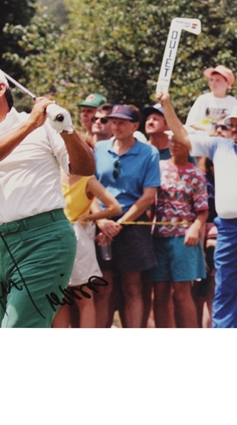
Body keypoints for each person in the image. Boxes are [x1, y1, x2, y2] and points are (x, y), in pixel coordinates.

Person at [0, 62, 95, 328]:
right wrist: (29, 125)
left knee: (18, 327)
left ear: (0, 87)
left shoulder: (45, 126)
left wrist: (68, 131)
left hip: (45, 238)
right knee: (9, 323)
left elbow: (85, 168)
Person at [158, 92, 237, 328]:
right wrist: (166, 106)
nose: (233, 128)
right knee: (225, 289)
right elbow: (183, 136)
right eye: (232, 124)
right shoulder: (219, 146)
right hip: (227, 229)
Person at [93, 104, 160, 328]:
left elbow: (148, 196)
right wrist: (101, 220)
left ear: (135, 125)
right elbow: (88, 187)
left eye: (122, 122)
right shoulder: (99, 148)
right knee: (103, 288)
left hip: (132, 224)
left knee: (132, 288)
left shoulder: (148, 152)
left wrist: (119, 224)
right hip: (101, 224)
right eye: (113, 121)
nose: (116, 126)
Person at [150, 129, 208, 328]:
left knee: (182, 292)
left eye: (178, 142)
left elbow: (203, 210)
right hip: (158, 237)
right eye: (171, 141)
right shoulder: (159, 167)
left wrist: (195, 227)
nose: (173, 145)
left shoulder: (196, 175)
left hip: (182, 239)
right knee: (160, 292)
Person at [52, 171, 121, 328]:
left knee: (84, 298)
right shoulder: (54, 174)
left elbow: (114, 207)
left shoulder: (87, 180)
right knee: (59, 298)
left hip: (79, 242)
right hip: (55, 240)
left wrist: (89, 218)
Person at [185, 65, 237, 134]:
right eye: (211, 80)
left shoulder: (233, 102)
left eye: (218, 80)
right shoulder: (203, 99)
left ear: (227, 83)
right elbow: (190, 123)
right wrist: (207, 128)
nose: (213, 83)